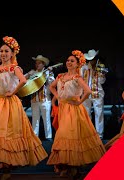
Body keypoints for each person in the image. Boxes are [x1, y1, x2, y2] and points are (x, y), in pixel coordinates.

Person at [0, 36, 48, 180]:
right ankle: (3, 164)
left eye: (6, 51)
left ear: (12, 53)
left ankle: (7, 168)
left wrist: (13, 92)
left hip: (10, 103)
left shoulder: (14, 68)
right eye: (1, 51)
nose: (3, 54)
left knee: (9, 133)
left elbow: (23, 80)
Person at [47, 50, 106, 178]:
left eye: (72, 61)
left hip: (73, 109)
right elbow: (51, 87)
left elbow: (88, 91)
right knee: (64, 136)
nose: (69, 62)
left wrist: (79, 102)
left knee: (71, 135)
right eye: (68, 60)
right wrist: (58, 97)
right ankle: (67, 165)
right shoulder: (60, 76)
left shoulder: (77, 77)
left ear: (77, 64)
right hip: (63, 108)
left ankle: (74, 166)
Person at [24, 55, 54, 140]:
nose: (37, 65)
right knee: (35, 119)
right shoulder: (33, 72)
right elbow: (22, 79)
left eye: (39, 63)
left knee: (46, 119)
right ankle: (35, 136)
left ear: (43, 64)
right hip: (34, 99)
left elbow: (52, 83)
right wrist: (27, 76)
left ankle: (48, 136)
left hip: (45, 99)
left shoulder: (47, 72)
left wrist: (50, 73)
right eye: (36, 63)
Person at [80, 49, 107, 139]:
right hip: (86, 94)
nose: (93, 61)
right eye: (91, 59)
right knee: (86, 114)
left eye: (94, 59)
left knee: (99, 113)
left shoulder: (100, 67)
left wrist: (102, 74)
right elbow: (80, 80)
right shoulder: (83, 67)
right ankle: (87, 134)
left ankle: (99, 135)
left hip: (97, 93)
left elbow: (102, 82)